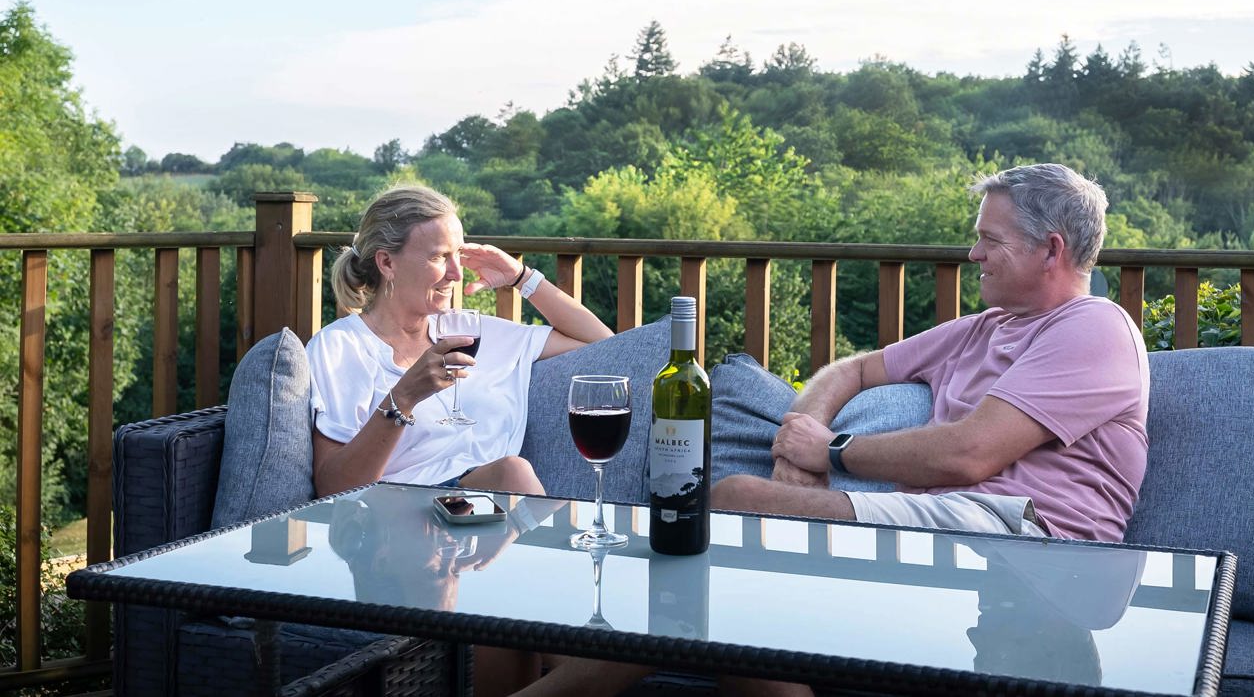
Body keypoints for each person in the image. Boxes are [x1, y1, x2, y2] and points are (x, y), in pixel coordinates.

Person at [713, 163, 1149, 544]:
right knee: (738, 500)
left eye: (990, 240)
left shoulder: (1096, 326)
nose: (974, 254)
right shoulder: (980, 329)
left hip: (1029, 537)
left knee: (738, 499)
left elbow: (970, 453)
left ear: (1051, 250)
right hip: (955, 522)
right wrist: (797, 449)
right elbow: (853, 370)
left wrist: (831, 450)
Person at [308, 183, 613, 500]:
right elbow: (333, 489)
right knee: (513, 471)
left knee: (513, 472)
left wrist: (521, 277)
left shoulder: (475, 332)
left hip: (483, 510)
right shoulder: (340, 348)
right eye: (440, 257)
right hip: (398, 512)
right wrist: (403, 398)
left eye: (459, 255)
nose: (456, 273)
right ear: (387, 263)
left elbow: (604, 345)